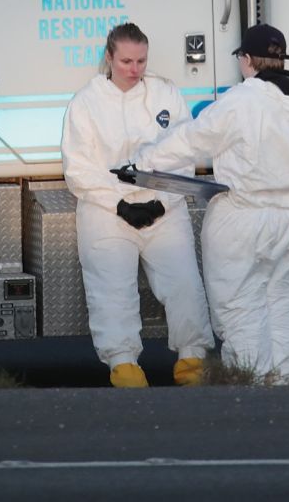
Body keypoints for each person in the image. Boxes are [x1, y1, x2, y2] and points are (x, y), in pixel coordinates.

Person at [135, 24, 289, 384]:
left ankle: (252, 394)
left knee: (241, 311)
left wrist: (146, 161)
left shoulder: (241, 100)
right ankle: (282, 388)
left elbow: (193, 139)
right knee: (281, 310)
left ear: (248, 59)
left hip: (241, 220)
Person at [61, 23, 213, 387]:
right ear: (109, 57)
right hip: (106, 213)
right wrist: (120, 204)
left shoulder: (166, 94)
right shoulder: (86, 102)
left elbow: (183, 154)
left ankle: (192, 358)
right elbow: (79, 169)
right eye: (126, 60)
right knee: (111, 289)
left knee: (184, 283)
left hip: (163, 209)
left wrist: (162, 201)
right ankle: (123, 364)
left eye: (141, 60)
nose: (134, 68)